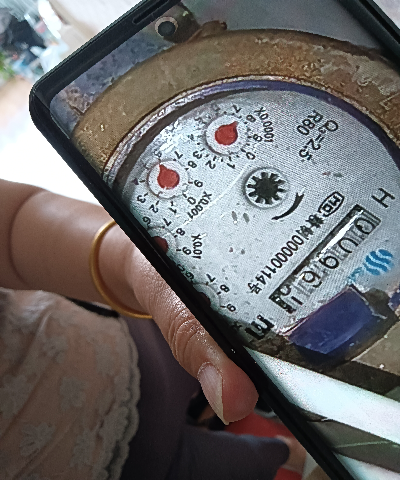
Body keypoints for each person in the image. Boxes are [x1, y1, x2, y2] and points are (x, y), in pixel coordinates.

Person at [0, 177, 306, 479]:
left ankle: (271, 428)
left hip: (132, 344)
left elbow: (13, 223)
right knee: (256, 458)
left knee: (236, 363)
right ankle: (286, 450)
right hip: (140, 469)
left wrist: (129, 258)